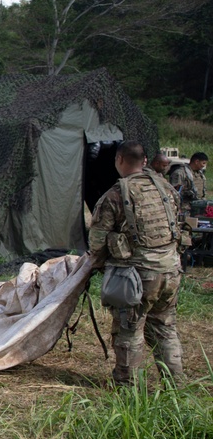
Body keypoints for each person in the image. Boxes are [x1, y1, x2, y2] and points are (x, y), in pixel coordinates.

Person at [88, 141, 185, 387]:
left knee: (129, 329)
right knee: (165, 327)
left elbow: (97, 240)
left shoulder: (116, 194)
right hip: (171, 270)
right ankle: (176, 384)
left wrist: (96, 265)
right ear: (144, 161)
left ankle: (126, 384)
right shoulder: (165, 187)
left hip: (138, 277)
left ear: (119, 160)